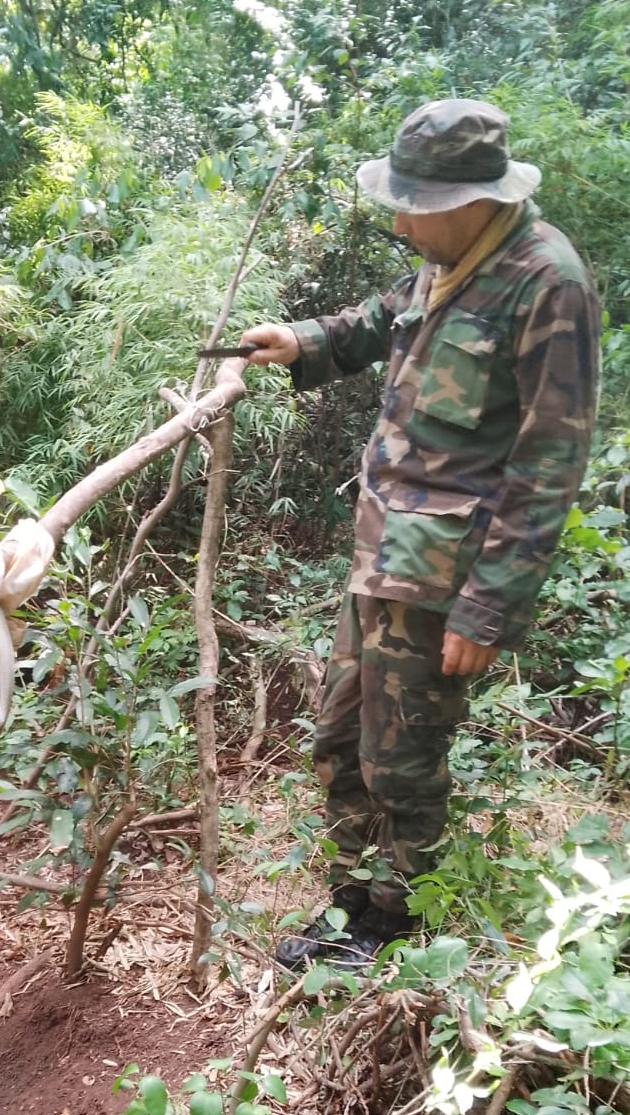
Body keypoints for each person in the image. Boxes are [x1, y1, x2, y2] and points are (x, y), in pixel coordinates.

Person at [241, 98, 601, 969]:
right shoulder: (446, 259)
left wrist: (491, 607)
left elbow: (552, 461)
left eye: (415, 205)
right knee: (339, 740)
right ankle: (349, 903)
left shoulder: (548, 283)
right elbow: (379, 319)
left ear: (474, 198)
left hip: (445, 570)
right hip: (380, 549)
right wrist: (300, 340)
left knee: (404, 756)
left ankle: (394, 927)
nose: (400, 222)